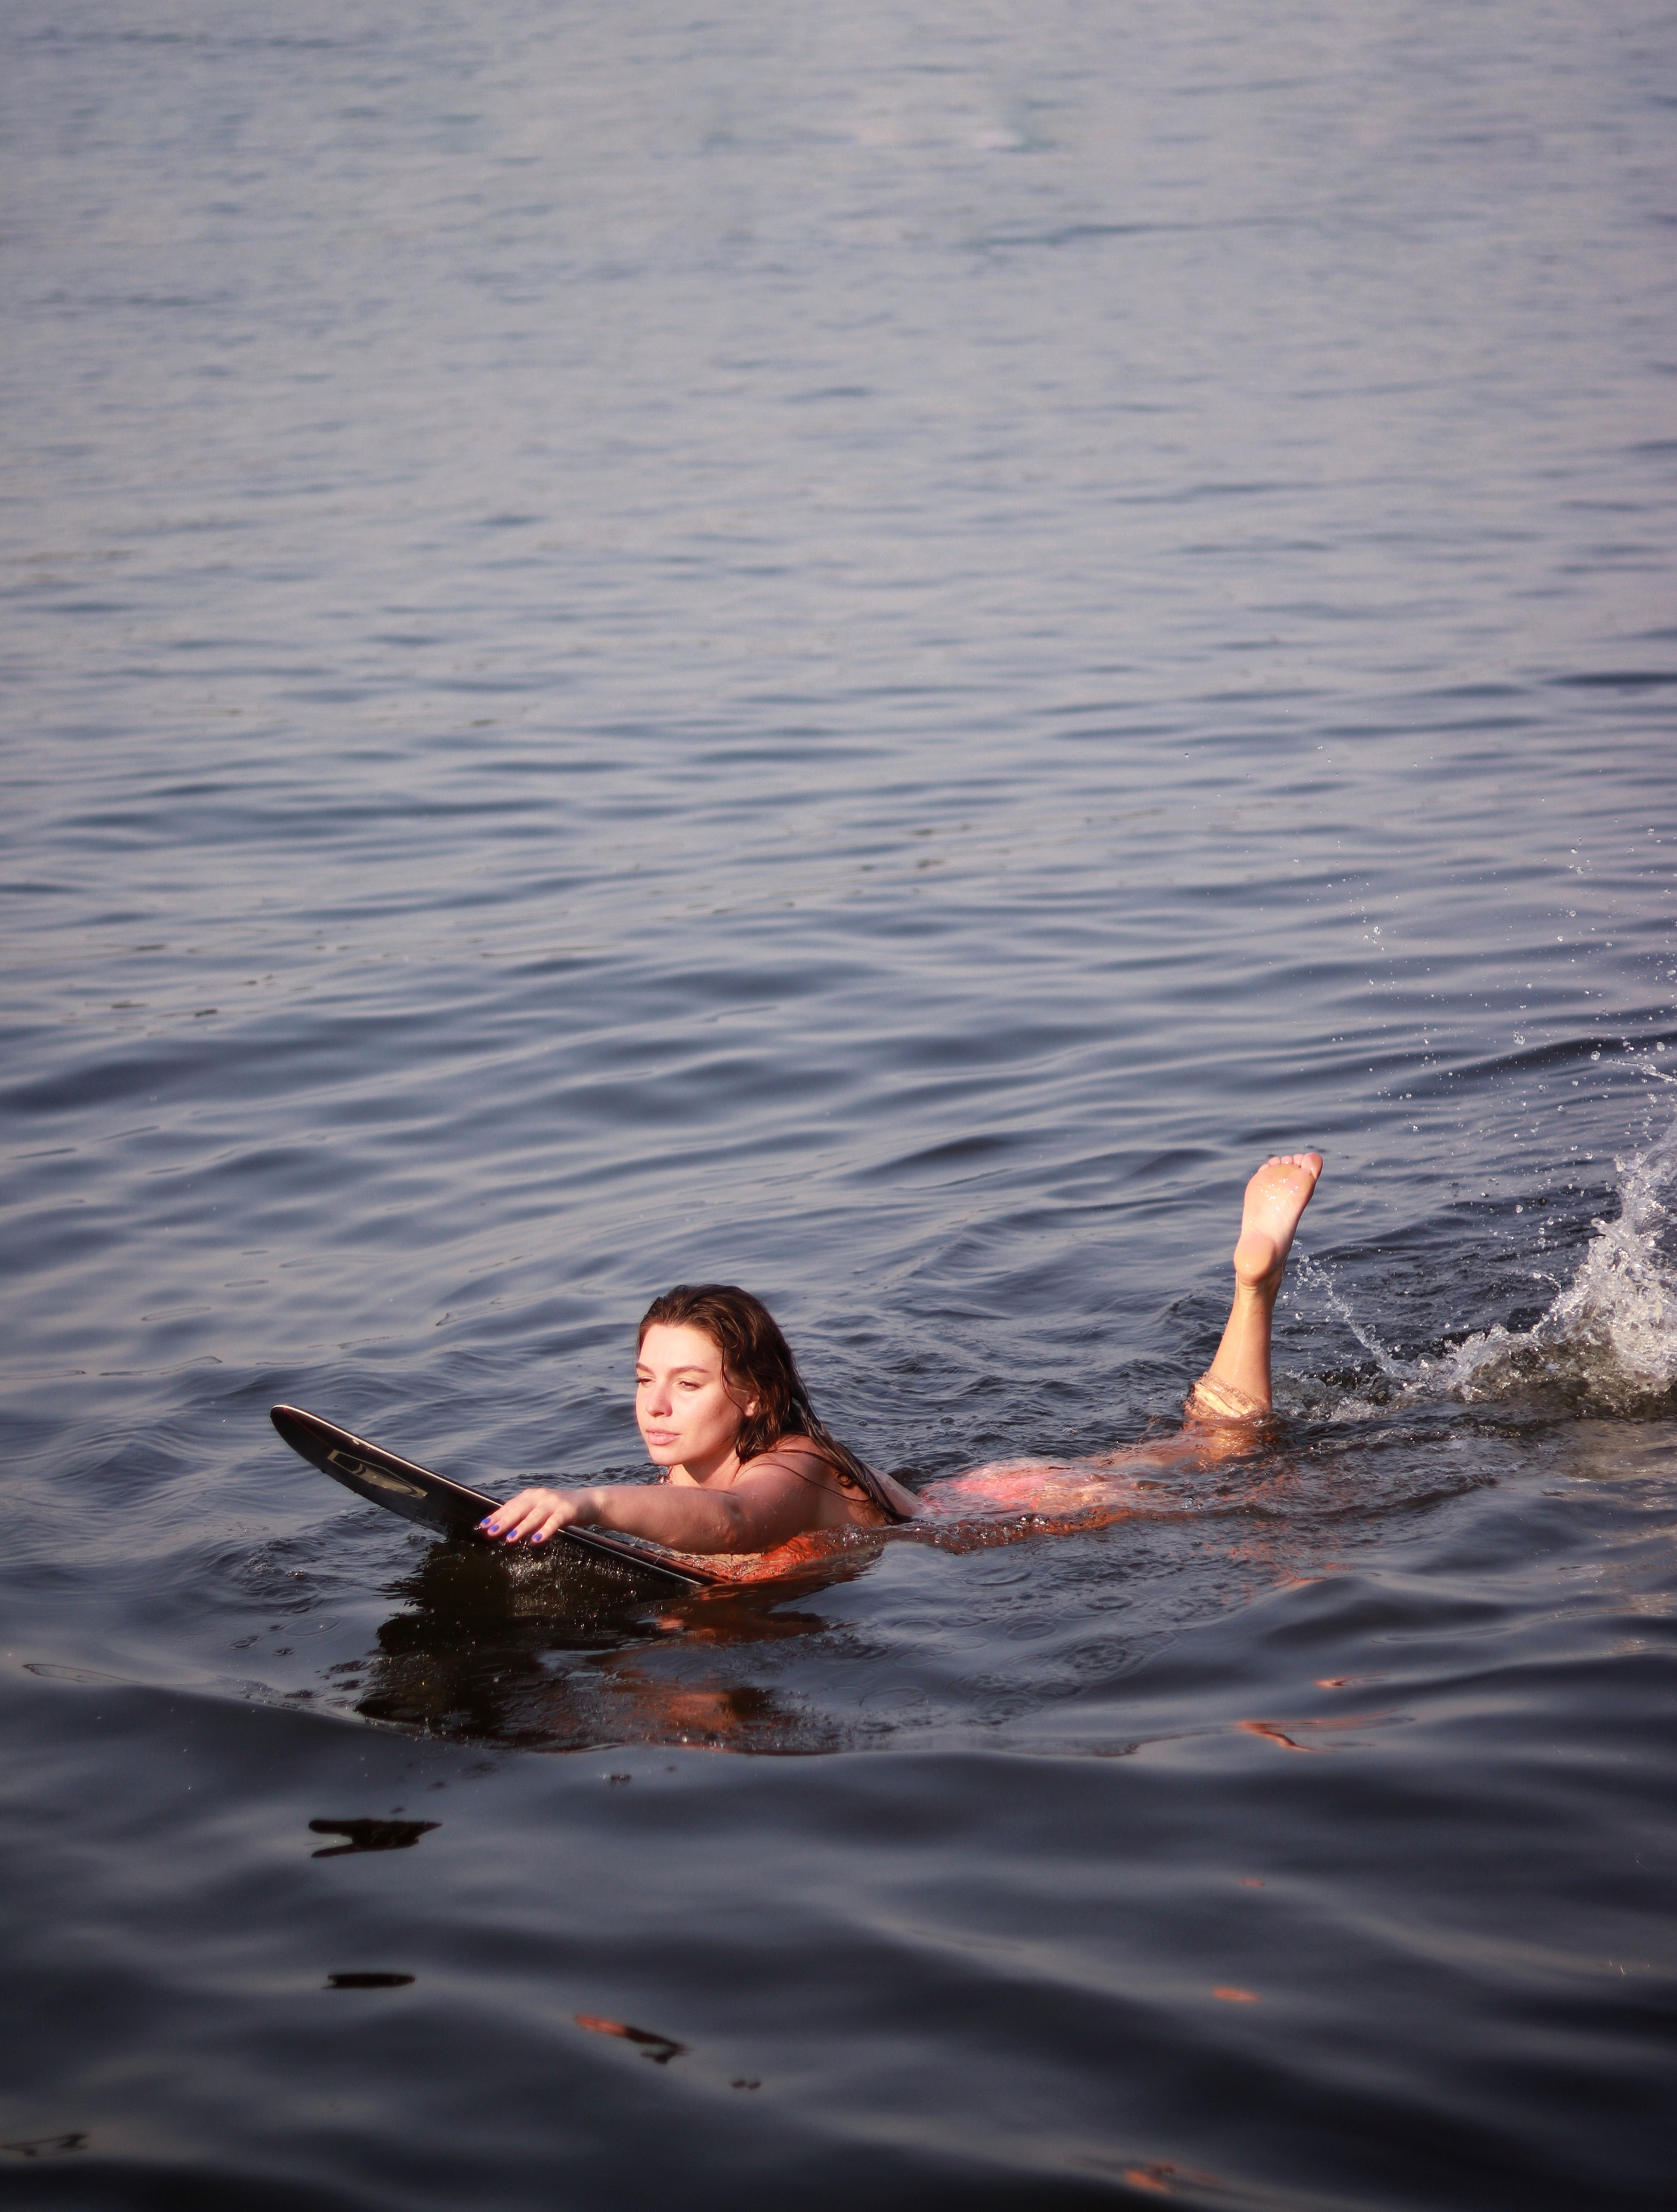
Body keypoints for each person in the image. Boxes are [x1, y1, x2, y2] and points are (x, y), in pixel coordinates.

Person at [480, 1151, 1322, 1557]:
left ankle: (1254, 1284)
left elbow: (735, 1525)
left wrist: (587, 1502)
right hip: (941, 1495)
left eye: (688, 1382)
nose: (655, 1406)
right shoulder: (681, 1474)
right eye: (644, 1381)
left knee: (1218, 1455)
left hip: (992, 1514)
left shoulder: (793, 1465)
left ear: (751, 1397)